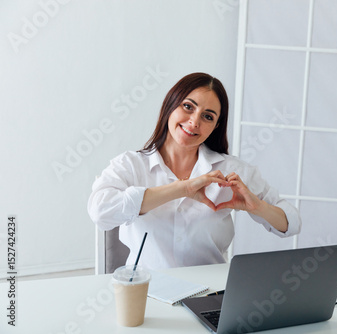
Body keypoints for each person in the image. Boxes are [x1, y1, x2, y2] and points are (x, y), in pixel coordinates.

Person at [88, 72, 301, 270]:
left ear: (216, 126)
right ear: (170, 105)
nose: (194, 121)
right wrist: (183, 188)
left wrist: (259, 207)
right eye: (188, 107)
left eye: (207, 117)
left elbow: (291, 224)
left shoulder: (230, 171)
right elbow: (100, 211)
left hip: (210, 295)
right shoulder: (131, 165)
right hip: (146, 293)